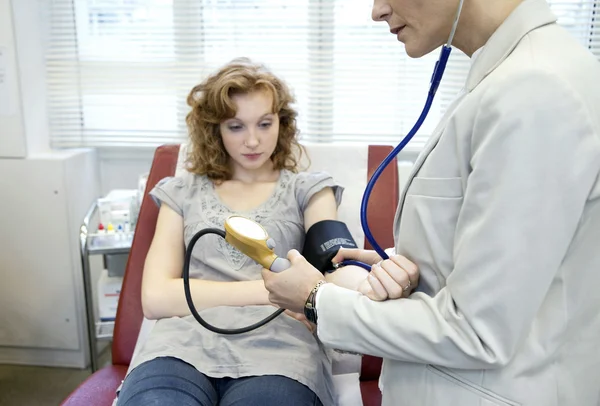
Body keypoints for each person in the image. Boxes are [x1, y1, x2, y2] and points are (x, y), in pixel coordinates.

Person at [261, 0, 600, 405]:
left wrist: (318, 300)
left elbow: (478, 332)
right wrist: (415, 269)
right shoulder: (511, 76)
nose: (377, 11)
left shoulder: (537, 91)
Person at [115, 58, 417, 406]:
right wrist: (281, 291)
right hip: (180, 347)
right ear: (215, 129)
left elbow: (333, 266)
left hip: (281, 352)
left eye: (264, 123)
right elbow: (155, 298)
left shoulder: (309, 190)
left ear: (281, 122)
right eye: (236, 127)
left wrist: (369, 282)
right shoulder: (180, 193)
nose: (253, 141)